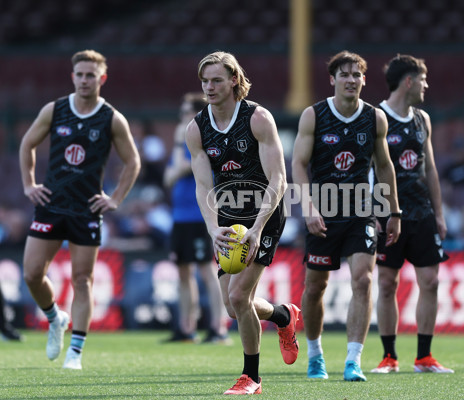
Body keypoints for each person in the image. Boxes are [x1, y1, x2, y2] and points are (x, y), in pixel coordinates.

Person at [186, 51, 300, 395]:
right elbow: (203, 186)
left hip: (265, 213)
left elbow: (279, 180)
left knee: (238, 296)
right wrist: (212, 228)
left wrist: (257, 228)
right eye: (205, 81)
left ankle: (252, 377)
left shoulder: (258, 118)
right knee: (234, 307)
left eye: (217, 80)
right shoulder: (197, 128)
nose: (209, 87)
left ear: (234, 79)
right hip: (228, 219)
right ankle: (283, 316)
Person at [19, 50, 141, 369]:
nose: (85, 79)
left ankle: (75, 351)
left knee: (82, 278)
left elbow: (133, 161)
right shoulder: (55, 109)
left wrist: (115, 198)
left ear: (102, 78)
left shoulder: (111, 118)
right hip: (51, 205)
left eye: (91, 75)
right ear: (72, 76)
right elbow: (27, 144)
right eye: (80, 74)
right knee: (32, 273)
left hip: (86, 209)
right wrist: (29, 184)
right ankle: (54, 317)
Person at [291, 50, 402, 382]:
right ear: (333, 80)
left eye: (357, 75)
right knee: (315, 287)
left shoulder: (375, 118)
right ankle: (315, 356)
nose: (351, 80)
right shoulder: (314, 115)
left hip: (361, 210)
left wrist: (393, 211)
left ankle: (353, 360)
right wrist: (308, 207)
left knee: (364, 280)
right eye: (345, 75)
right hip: (323, 211)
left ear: (364, 80)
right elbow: (297, 164)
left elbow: (384, 166)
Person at [369, 54, 453, 374]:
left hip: (421, 212)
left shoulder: (423, 119)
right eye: (423, 79)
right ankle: (389, 356)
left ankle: (424, 356)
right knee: (388, 283)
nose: (426, 85)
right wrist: (372, 210)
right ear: (408, 81)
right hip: (388, 213)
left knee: (430, 281)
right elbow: (367, 169)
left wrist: (440, 213)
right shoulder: (376, 117)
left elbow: (429, 168)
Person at [162, 92, 231, 344]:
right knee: (183, 271)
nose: (181, 118)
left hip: (201, 215)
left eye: (185, 113)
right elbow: (168, 178)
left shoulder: (201, 140)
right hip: (180, 216)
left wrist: (180, 146)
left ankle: (218, 328)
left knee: (206, 270)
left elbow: (181, 169)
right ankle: (186, 327)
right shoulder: (184, 142)